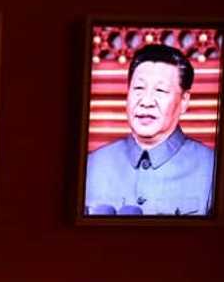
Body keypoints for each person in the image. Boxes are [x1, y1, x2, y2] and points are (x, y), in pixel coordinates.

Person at [84, 44, 216, 216]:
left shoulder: (213, 169)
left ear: (184, 100)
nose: (146, 101)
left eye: (160, 90)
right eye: (138, 88)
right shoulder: (92, 164)